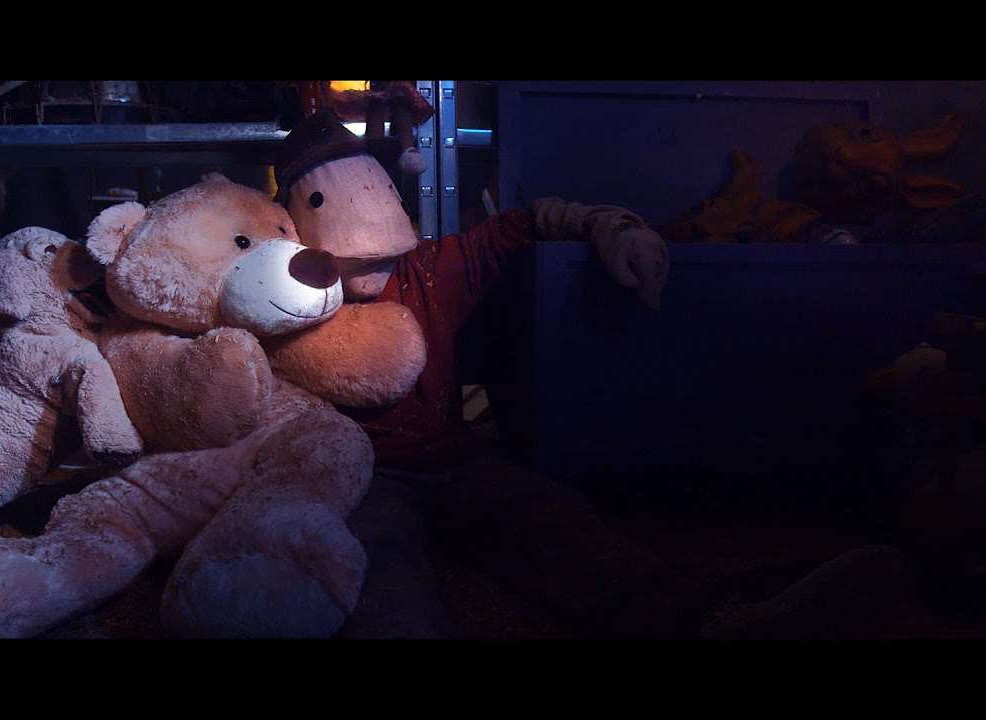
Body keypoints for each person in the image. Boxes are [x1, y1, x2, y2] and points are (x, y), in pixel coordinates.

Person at [271, 109, 924, 639]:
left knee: (551, 517)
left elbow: (520, 225)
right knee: (378, 559)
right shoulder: (284, 294)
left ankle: (704, 615)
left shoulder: (430, 269)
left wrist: (609, 224)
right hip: (363, 475)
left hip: (453, 460)